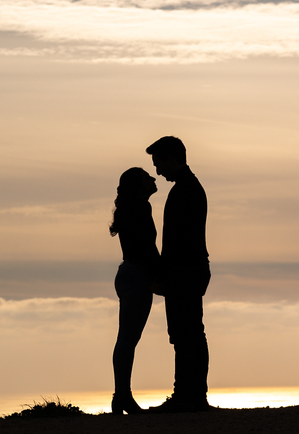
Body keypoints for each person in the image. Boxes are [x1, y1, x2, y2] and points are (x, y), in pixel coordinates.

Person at [146, 136, 211, 413]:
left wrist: (163, 274)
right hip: (190, 269)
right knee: (189, 333)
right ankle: (191, 395)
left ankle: (188, 396)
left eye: (159, 164)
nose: (158, 172)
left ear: (173, 159)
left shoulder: (185, 190)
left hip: (184, 271)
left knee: (186, 334)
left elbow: (176, 241)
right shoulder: (189, 188)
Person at [110, 166, 160, 415]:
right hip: (138, 275)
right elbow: (147, 247)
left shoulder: (132, 208)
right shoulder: (140, 208)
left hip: (128, 273)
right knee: (128, 339)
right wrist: (160, 274)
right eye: (146, 177)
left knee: (126, 339)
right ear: (138, 186)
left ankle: (121, 396)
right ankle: (122, 397)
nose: (153, 178)